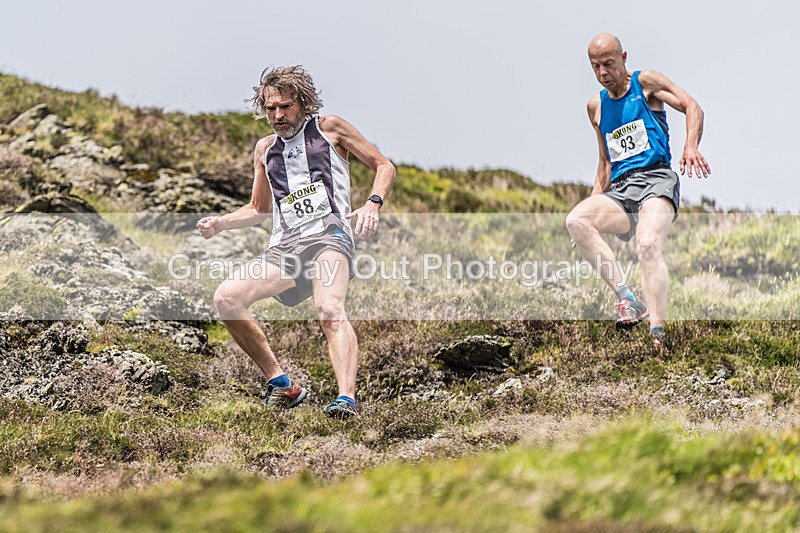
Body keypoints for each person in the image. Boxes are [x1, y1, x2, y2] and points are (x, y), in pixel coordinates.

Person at [197, 65, 396, 417]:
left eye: (285, 107)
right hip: (285, 247)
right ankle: (282, 384)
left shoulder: (329, 128)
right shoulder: (264, 150)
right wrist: (221, 224)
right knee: (226, 298)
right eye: (270, 108)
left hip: (328, 238)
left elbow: (383, 165)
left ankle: (346, 399)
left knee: (330, 310)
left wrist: (372, 204)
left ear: (303, 104)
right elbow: (259, 208)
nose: (277, 115)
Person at [566, 34, 711, 347]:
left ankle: (658, 333)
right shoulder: (596, 108)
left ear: (623, 58)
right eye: (596, 67)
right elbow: (605, 165)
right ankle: (628, 299)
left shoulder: (645, 83)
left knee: (646, 245)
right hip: (621, 191)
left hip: (656, 180)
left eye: (609, 63)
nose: (603, 72)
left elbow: (692, 106)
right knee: (577, 220)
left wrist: (690, 146)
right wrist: (590, 211)